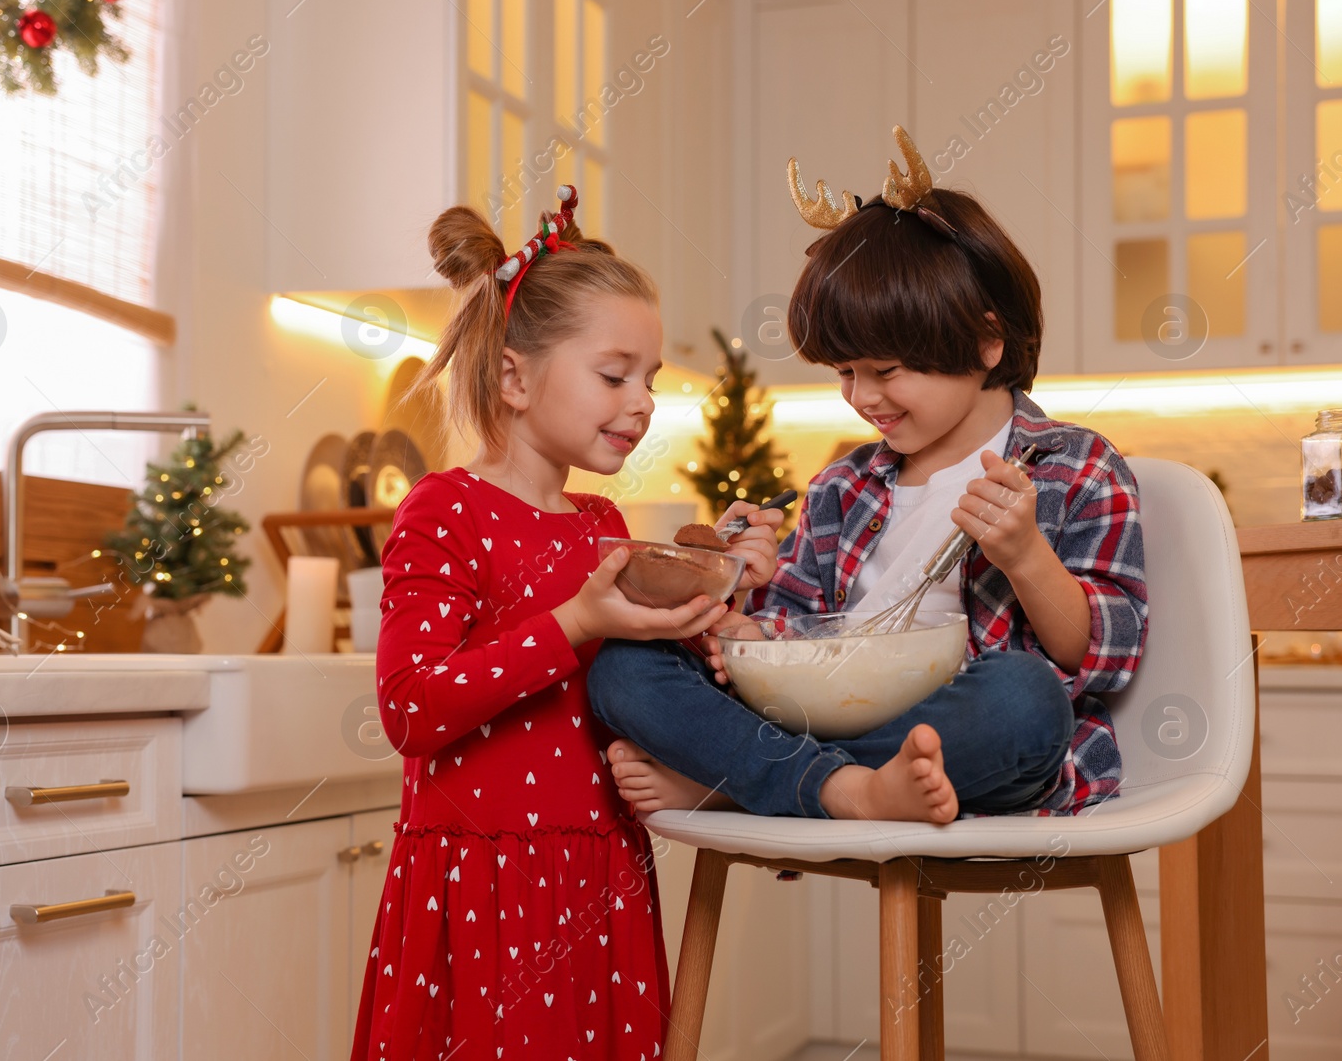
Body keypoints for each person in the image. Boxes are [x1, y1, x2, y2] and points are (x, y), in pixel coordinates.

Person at [588, 127, 1149, 825]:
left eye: (886, 370)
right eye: (846, 373)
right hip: (817, 721)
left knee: (1024, 700)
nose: (863, 397)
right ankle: (842, 789)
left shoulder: (1077, 467)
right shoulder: (841, 487)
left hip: (958, 742)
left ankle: (750, 782)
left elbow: (1107, 656)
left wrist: (1027, 557)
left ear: (986, 338)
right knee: (623, 668)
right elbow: (787, 630)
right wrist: (734, 611)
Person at [349, 186, 780, 1060]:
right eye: (614, 374)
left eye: (650, 379)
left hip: (597, 874)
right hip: (481, 889)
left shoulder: (604, 527)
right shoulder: (444, 510)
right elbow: (410, 708)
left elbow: (645, 688)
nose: (643, 400)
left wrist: (728, 601)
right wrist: (574, 618)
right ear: (513, 376)